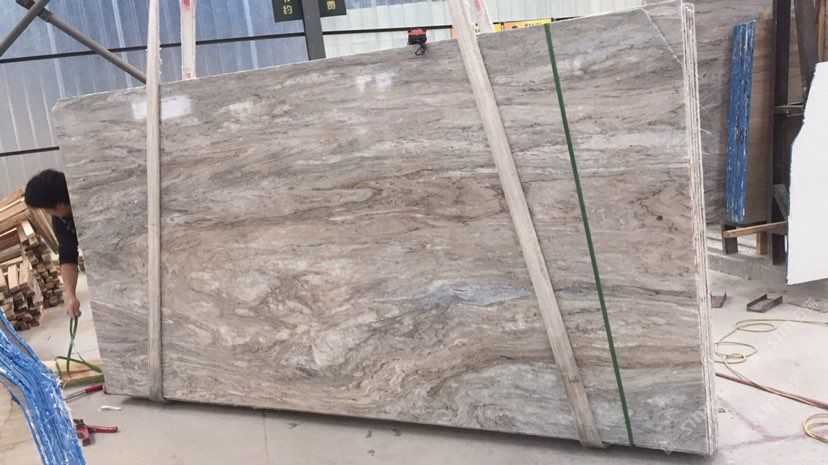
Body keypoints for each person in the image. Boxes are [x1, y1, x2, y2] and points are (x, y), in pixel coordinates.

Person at [23, 169, 81, 319]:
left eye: (46, 209)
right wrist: (70, 294)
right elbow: (67, 253)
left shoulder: (87, 203)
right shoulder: (60, 219)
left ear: (60, 203)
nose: (48, 213)